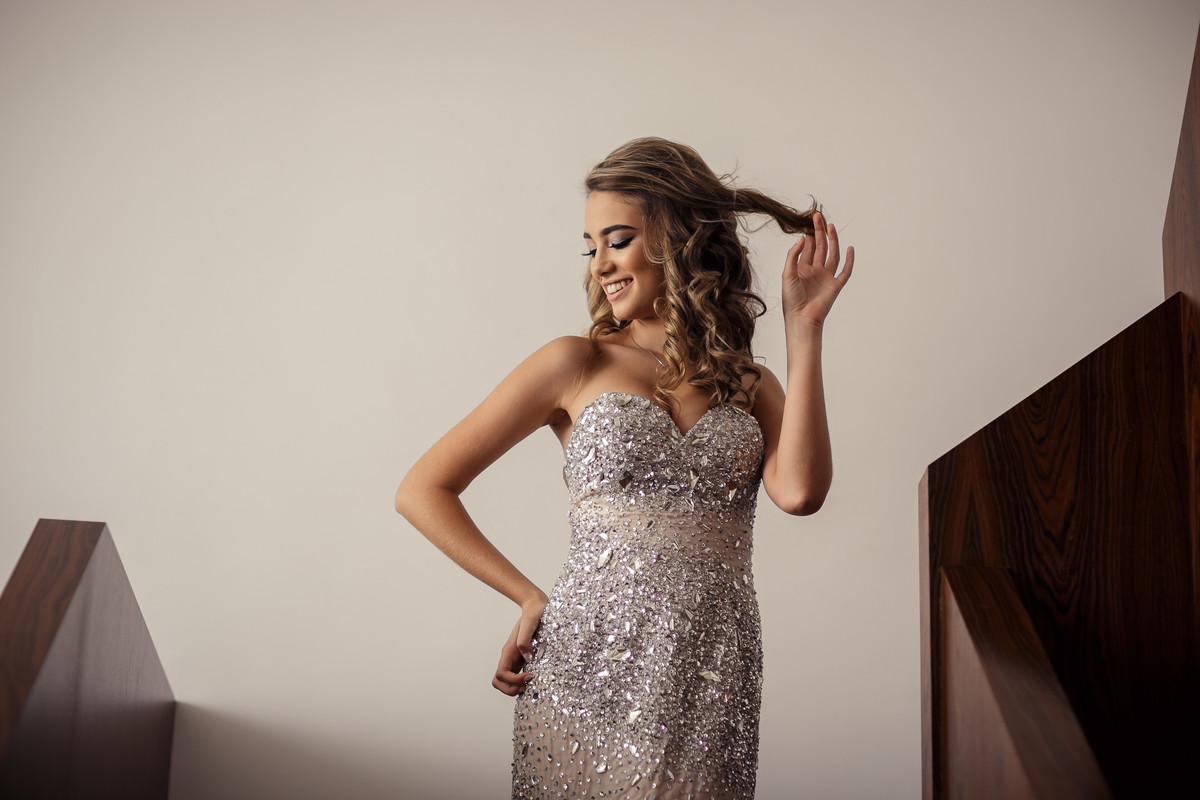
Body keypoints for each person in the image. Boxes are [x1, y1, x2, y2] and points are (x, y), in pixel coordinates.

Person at [395, 137, 853, 799]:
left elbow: (801, 492)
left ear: (678, 239)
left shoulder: (750, 386)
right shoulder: (575, 362)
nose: (601, 265)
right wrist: (527, 597)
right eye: (591, 247)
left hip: (710, 675)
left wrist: (804, 328)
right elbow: (422, 489)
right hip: (586, 665)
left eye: (617, 240)